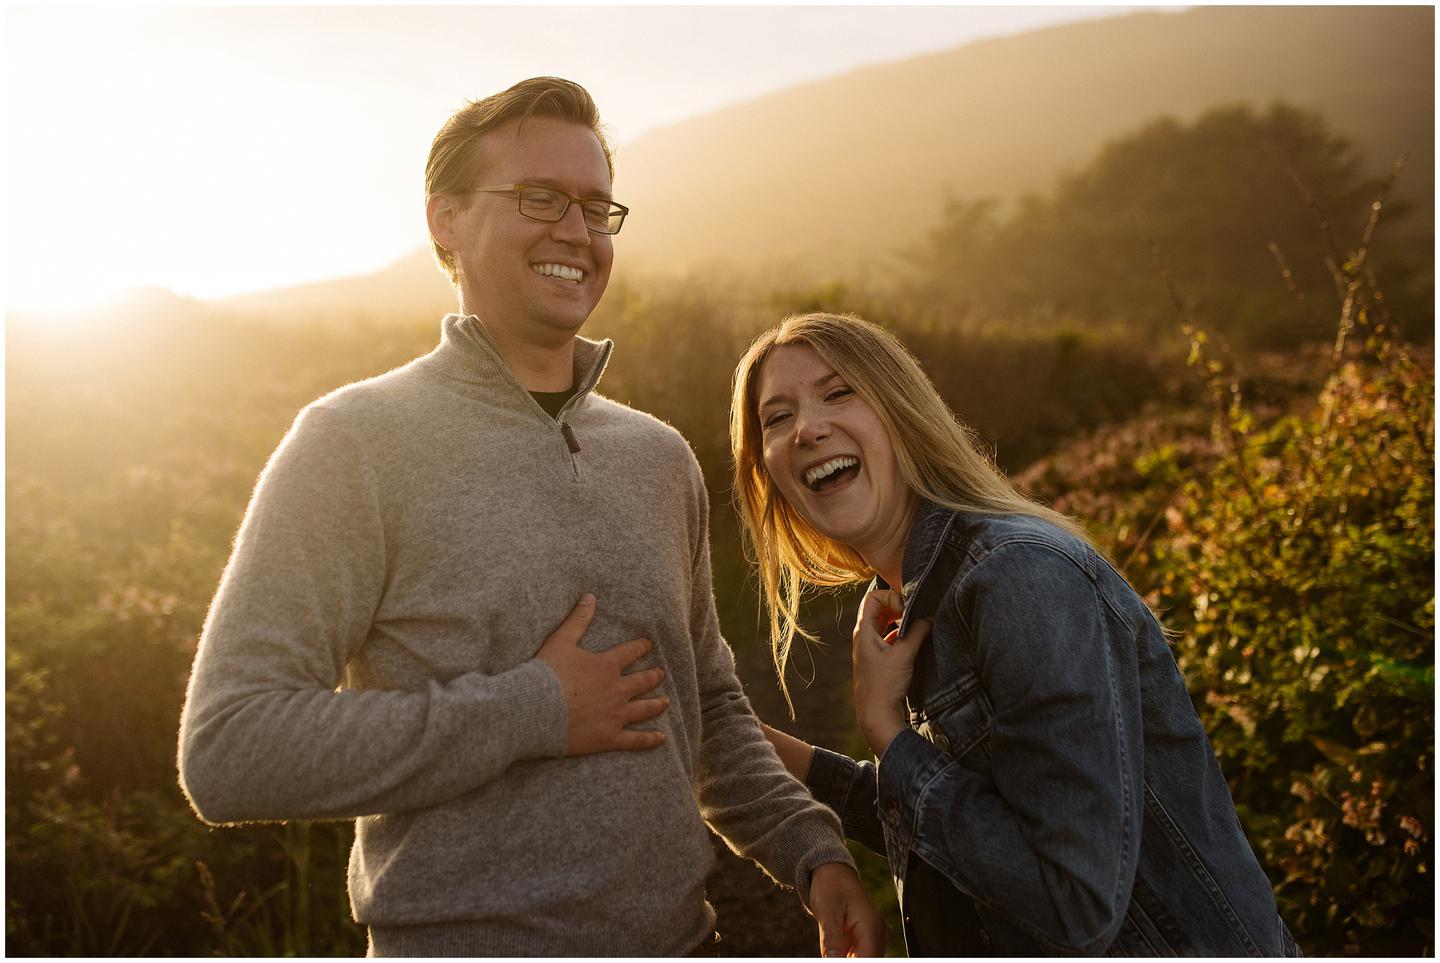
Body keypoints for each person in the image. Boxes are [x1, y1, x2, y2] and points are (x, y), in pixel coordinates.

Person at [177, 78, 884, 957]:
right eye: (539, 198)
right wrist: (530, 709)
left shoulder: (657, 458)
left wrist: (811, 850)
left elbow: (703, 700)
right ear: (445, 219)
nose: (576, 232)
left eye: (595, 206)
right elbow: (230, 747)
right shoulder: (353, 444)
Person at [729, 311, 1300, 956]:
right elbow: (966, 812)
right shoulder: (916, 597)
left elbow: (1075, 901)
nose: (806, 428)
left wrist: (886, 729)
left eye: (838, 393)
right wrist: (721, 735)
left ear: (900, 411)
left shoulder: (1018, 577)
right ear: (766, 469)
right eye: (777, 418)